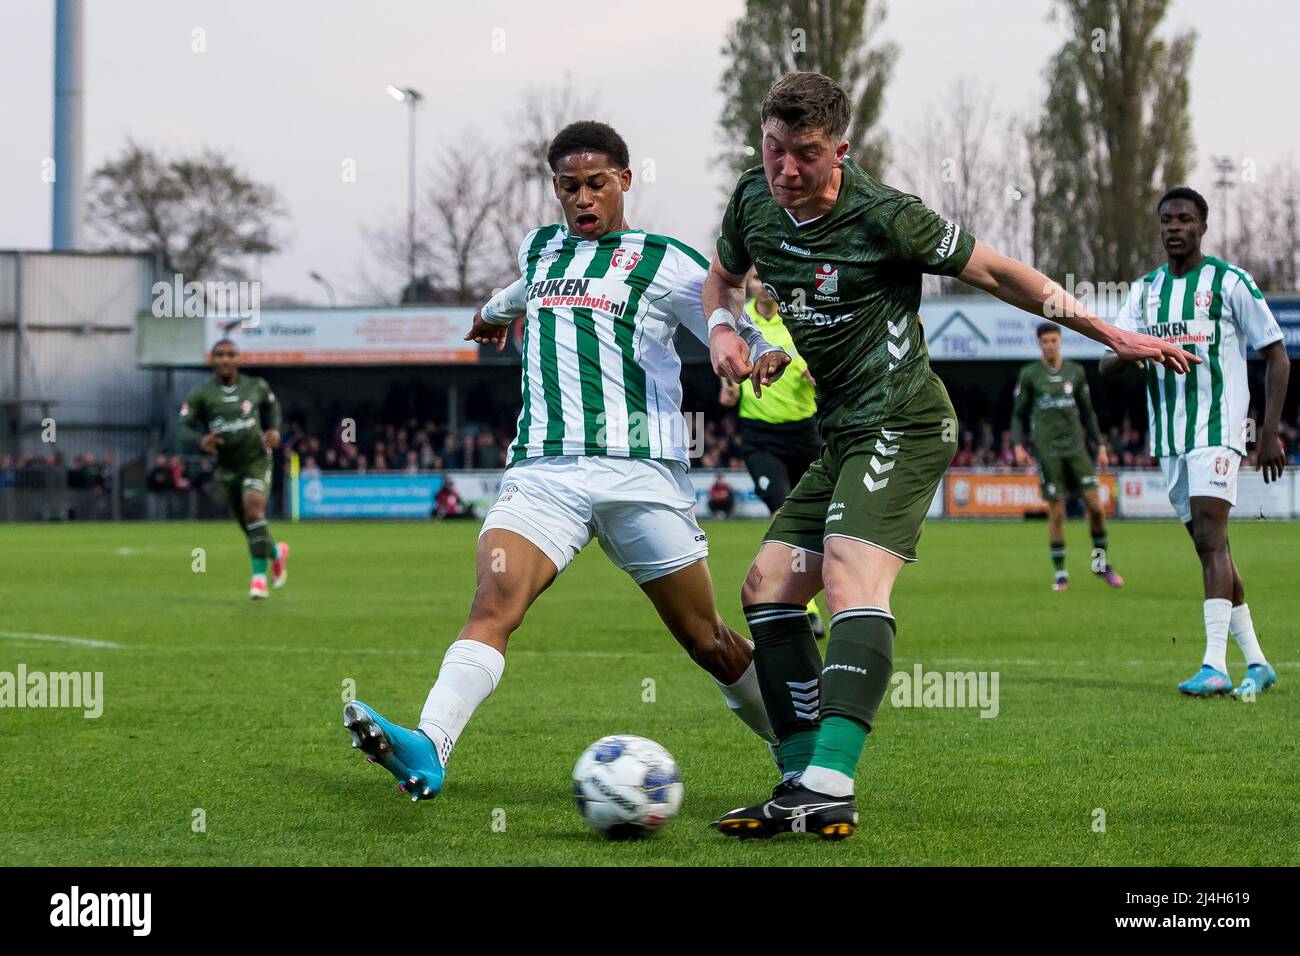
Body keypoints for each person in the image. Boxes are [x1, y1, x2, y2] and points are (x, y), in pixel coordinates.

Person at [702, 71, 1194, 840]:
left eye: (804, 154)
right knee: (767, 587)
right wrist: (726, 332)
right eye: (773, 150)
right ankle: (800, 781)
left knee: (845, 573)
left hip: (905, 419)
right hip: (843, 432)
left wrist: (1113, 334)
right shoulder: (752, 200)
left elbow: (1001, 274)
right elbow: (723, 281)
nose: (786, 171)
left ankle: (831, 782)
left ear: (841, 148)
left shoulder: (886, 217)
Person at [342, 120, 789, 803]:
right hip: (544, 474)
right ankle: (429, 745)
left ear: (625, 182)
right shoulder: (541, 249)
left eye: (596, 184)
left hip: (640, 475)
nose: (582, 199)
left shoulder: (664, 260)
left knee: (707, 639)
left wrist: (753, 348)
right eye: (568, 186)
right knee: (495, 603)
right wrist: (494, 310)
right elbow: (529, 288)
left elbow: (720, 312)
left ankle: (801, 752)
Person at [1100, 186, 1290, 698]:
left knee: (1210, 538)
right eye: (1166, 220)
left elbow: (1276, 355)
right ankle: (1257, 661)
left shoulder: (1230, 282)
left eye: (1184, 219)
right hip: (1170, 437)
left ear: (1202, 227)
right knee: (1214, 548)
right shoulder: (1144, 292)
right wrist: (1134, 347)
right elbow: (1107, 363)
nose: (1174, 227)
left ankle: (1213, 665)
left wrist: (1268, 432)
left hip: (1219, 430)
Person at [719, 269, 827, 636]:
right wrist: (729, 387)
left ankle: (825, 593)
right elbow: (727, 363)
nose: (761, 283)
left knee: (816, 522)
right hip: (760, 437)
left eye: (767, 277)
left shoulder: (801, 319)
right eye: (754, 277)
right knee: (783, 514)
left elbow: (824, 363)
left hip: (804, 434)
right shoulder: (739, 319)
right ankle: (804, 606)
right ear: (748, 284)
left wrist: (819, 373)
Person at [1012, 321, 1124, 591]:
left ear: (1060, 342)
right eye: (1045, 341)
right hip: (1048, 452)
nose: (1050, 345)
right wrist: (1018, 444)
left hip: (1077, 450)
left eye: (1054, 340)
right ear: (1039, 344)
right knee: (1057, 513)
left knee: (1096, 508)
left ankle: (1100, 564)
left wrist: (1099, 446)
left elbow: (1088, 412)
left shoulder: (1075, 372)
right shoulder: (1029, 375)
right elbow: (1018, 413)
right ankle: (1061, 573)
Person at [178, 338, 290, 599]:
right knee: (249, 524)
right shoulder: (202, 394)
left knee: (254, 509)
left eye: (230, 354)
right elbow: (182, 426)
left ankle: (258, 580)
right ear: (212, 360)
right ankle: (276, 553)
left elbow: (273, 406)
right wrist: (200, 440)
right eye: (220, 355)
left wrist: (273, 429)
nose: (225, 359)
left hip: (257, 461)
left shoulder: (256, 386)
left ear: (238, 359)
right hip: (228, 468)